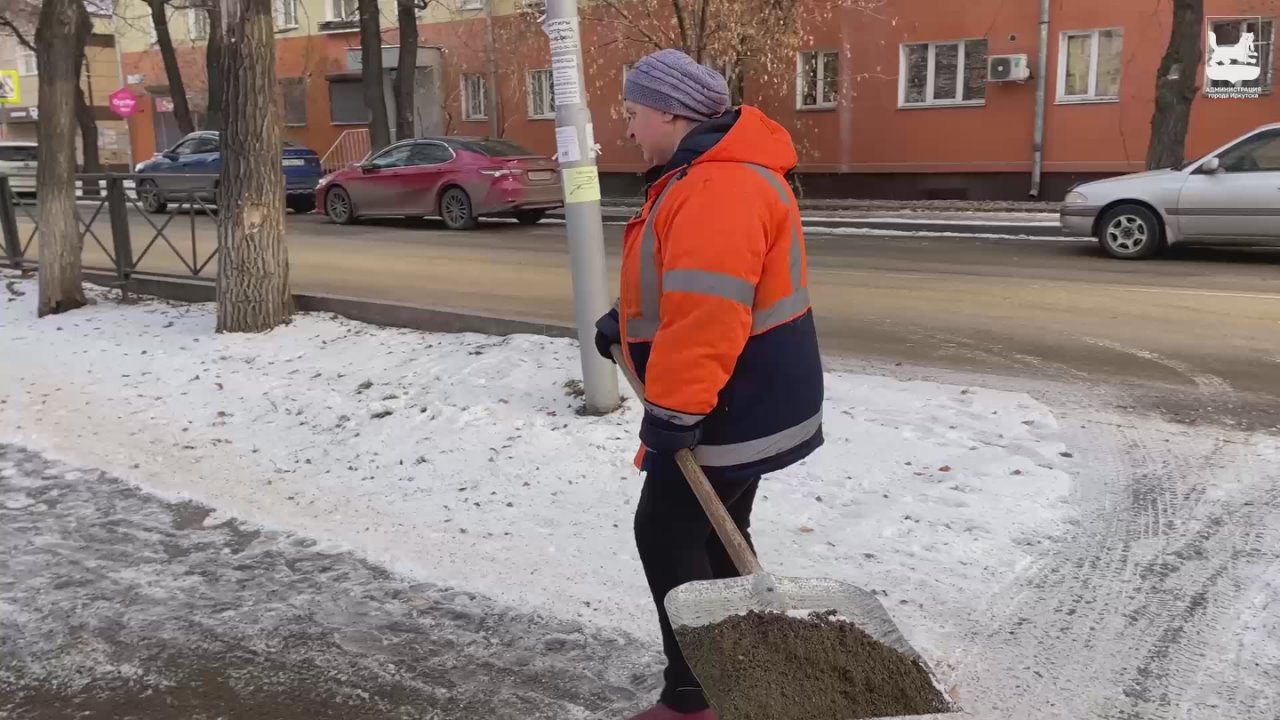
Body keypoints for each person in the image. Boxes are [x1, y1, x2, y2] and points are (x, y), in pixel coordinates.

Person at [593, 49, 825, 719]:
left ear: (670, 113)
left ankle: (694, 699)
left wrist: (673, 411)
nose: (628, 128)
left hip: (728, 404)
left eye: (633, 113)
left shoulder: (717, 185)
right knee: (719, 535)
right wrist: (626, 322)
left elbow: (708, 314)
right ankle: (745, 671)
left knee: (665, 536)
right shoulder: (712, 174)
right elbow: (684, 285)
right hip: (750, 395)